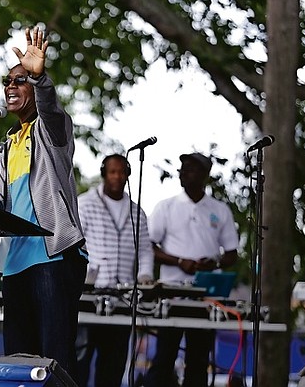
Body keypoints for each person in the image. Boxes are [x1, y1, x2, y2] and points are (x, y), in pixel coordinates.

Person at [0, 26, 88, 378]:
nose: (10, 87)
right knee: (17, 360)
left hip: (51, 255)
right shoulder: (9, 144)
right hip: (15, 262)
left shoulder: (51, 131)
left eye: (19, 81)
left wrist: (40, 78)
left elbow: (52, 111)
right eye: (7, 83)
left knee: (54, 357)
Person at [143, 152, 239, 387]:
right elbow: (148, 246)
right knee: (164, 358)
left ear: (205, 175)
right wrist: (179, 262)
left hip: (206, 296)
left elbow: (231, 254)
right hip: (171, 294)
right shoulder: (166, 207)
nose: (184, 173)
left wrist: (213, 262)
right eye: (182, 168)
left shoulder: (219, 209)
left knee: (198, 360)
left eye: (191, 169)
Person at [75, 153, 154, 387]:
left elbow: (146, 250)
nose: (117, 176)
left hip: (124, 298)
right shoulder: (85, 203)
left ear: (128, 175)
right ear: (103, 174)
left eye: (122, 172)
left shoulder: (137, 211)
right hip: (90, 295)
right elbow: (75, 243)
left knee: (114, 362)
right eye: (112, 171)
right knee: (80, 358)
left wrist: (145, 276)